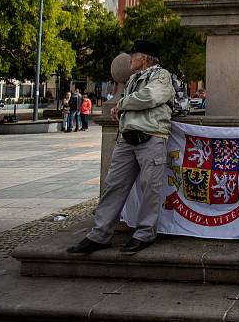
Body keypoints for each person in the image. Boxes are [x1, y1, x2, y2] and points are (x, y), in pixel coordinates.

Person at [67, 40, 174, 255]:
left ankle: (144, 234)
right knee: (114, 185)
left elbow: (151, 96)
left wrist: (122, 105)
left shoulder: (161, 76)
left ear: (144, 58)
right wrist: (121, 109)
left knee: (149, 189)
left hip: (151, 136)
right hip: (127, 138)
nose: (129, 60)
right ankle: (100, 234)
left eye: (132, 55)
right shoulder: (133, 78)